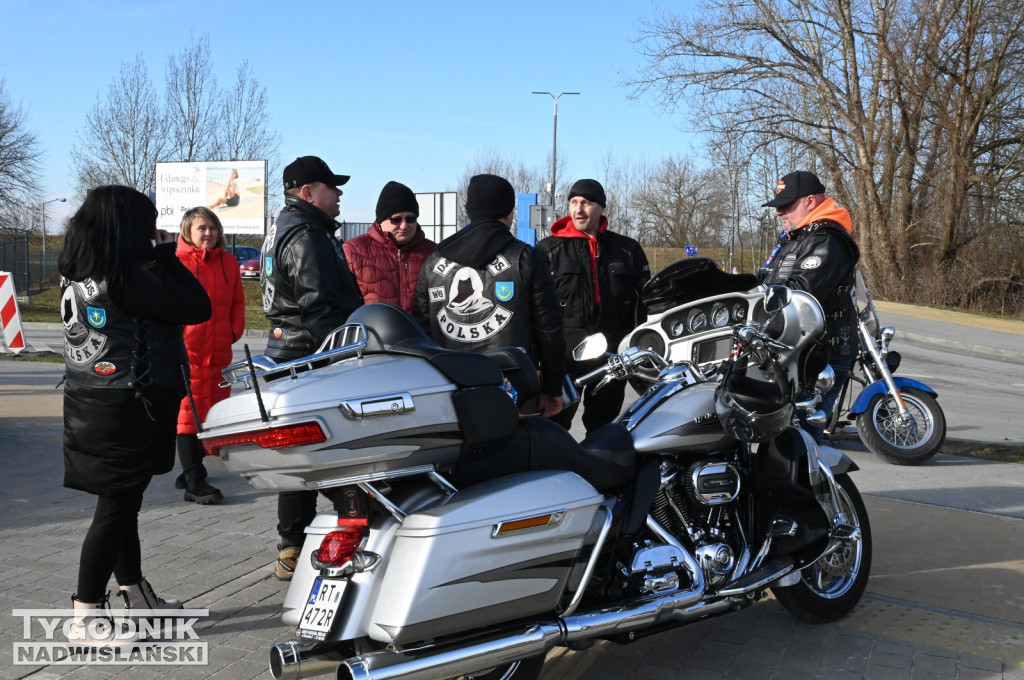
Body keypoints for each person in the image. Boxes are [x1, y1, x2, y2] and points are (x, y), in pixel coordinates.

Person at [58, 186, 212, 646]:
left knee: (122, 502)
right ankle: (86, 615)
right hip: (129, 404)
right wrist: (168, 258)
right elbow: (197, 306)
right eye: (146, 224)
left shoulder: (80, 271)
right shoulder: (128, 277)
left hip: (90, 402)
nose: (151, 232)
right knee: (116, 507)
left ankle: (139, 600)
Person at [261, 155, 364, 580]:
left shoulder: (281, 229)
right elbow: (318, 305)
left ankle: (292, 547)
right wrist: (344, 355)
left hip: (288, 354)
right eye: (332, 187)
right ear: (308, 193)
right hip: (311, 358)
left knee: (298, 456)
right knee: (332, 451)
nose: (339, 194)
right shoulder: (307, 233)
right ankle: (349, 534)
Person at [416, 173, 566, 417]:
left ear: (470, 210)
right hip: (515, 388)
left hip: (450, 389)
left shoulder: (434, 262)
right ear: (509, 212)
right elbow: (549, 331)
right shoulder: (525, 257)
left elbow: (421, 333)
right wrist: (552, 387)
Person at [539, 179, 650, 435]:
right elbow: (536, 310)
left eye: (586, 203)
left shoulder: (627, 250)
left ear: (601, 208)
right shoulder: (546, 251)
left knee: (603, 426)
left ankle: (598, 471)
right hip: (564, 355)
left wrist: (636, 346)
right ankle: (559, 472)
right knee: (554, 426)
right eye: (574, 203)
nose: (578, 210)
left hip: (611, 354)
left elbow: (644, 303)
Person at [758, 170, 860, 443]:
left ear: (811, 201)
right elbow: (769, 283)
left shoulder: (827, 240)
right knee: (783, 437)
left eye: (787, 205)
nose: (779, 213)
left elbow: (800, 293)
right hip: (794, 353)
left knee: (800, 440)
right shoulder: (796, 239)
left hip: (821, 357)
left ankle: (812, 484)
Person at [173, 207, 246, 504]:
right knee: (187, 415)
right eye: (202, 228)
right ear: (187, 232)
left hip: (219, 353)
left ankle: (192, 467)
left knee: (212, 415)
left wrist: (233, 331)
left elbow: (238, 301)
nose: (208, 233)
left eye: (212, 227)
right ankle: (194, 481)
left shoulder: (229, 262)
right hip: (187, 353)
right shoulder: (176, 263)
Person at [342, 181, 436, 314]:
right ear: (381, 220)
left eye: (410, 219)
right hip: (373, 333)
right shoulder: (353, 252)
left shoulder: (434, 254)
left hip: (421, 334)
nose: (404, 226)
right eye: (396, 220)